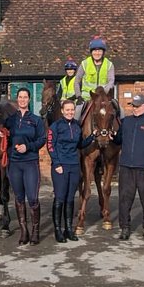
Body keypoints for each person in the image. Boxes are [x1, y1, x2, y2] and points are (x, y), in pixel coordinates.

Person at [109, 93, 144, 241]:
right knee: (125, 199)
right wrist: (112, 137)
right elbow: (119, 139)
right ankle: (125, 228)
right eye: (133, 106)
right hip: (126, 167)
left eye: (138, 106)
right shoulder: (126, 121)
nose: (135, 108)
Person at [5, 87, 46, 245]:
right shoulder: (11, 120)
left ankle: (35, 230)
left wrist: (27, 147)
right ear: (17, 99)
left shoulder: (36, 120)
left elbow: (41, 140)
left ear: (29, 99)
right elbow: (4, 136)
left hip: (30, 162)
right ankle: (23, 231)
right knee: (19, 198)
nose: (22, 100)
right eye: (20, 97)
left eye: (25, 97)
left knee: (33, 198)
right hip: (15, 163)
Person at [47, 98, 91, 242]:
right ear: (62, 111)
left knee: (70, 198)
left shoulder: (77, 125)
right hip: (60, 166)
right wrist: (57, 163)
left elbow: (80, 144)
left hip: (74, 165)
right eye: (67, 110)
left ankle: (68, 229)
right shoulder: (56, 126)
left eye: (72, 110)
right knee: (60, 198)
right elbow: (50, 146)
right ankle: (58, 230)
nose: (70, 112)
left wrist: (92, 137)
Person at [77, 36, 116, 121]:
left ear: (103, 52)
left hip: (104, 97)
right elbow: (77, 81)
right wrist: (79, 96)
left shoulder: (109, 65)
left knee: (121, 111)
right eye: (94, 50)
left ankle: (121, 132)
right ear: (91, 52)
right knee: (76, 113)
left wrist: (103, 92)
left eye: (99, 51)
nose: (97, 53)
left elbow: (111, 81)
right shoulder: (84, 64)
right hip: (87, 97)